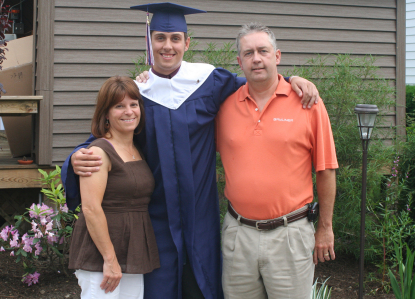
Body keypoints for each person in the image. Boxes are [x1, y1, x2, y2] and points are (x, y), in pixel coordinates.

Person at [62, 3, 320, 299]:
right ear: (150, 42)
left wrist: (292, 80)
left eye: (174, 38)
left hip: (201, 216)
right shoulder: (139, 93)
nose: (167, 46)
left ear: (187, 43)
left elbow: (259, 84)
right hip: (156, 218)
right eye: (160, 38)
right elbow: (108, 133)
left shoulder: (208, 82)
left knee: (203, 287)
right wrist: (77, 155)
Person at [216, 23, 338, 299]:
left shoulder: (308, 103)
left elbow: (326, 170)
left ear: (277, 56)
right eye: (248, 53)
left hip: (290, 235)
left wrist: (325, 228)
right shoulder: (224, 108)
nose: (256, 58)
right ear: (239, 61)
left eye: (263, 51)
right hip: (238, 235)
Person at [68, 76, 160, 299]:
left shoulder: (137, 149)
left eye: (133, 104)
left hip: (133, 251)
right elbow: (90, 209)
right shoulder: (98, 152)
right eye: (119, 106)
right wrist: (109, 260)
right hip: (101, 255)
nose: (129, 111)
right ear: (106, 113)